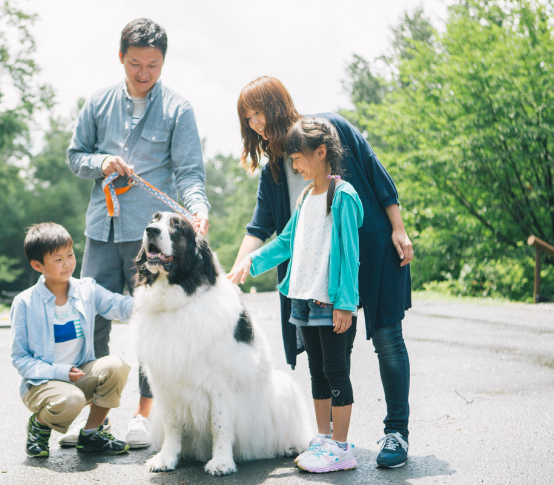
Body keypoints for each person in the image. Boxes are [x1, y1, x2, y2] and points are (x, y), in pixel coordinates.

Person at [228, 76, 413, 468]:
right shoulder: (276, 171)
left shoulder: (330, 128)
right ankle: (330, 439)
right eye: (248, 119)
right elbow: (263, 228)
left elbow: (375, 173)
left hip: (371, 248)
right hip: (315, 277)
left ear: (276, 105)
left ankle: (396, 431)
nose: (256, 124)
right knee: (328, 361)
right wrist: (240, 267)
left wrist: (398, 227)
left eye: (258, 112)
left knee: (387, 339)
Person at [67, 18, 210, 449]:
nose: (144, 72)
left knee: (151, 326)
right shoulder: (96, 104)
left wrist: (198, 207)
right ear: (120, 58)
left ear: (163, 62)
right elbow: (75, 157)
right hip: (100, 231)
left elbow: (189, 173)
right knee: (89, 321)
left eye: (153, 64)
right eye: (135, 64)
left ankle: (144, 417)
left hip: (151, 238)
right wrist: (101, 163)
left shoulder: (179, 109)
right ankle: (94, 420)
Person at [229, 117, 363, 473]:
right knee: (317, 371)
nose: (295, 165)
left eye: (299, 158)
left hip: (332, 303)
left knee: (336, 371)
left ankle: (341, 446)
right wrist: (250, 262)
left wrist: (346, 305)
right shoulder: (306, 197)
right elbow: (286, 242)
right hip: (304, 300)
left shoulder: (343, 195)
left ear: (321, 152)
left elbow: (350, 255)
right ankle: (322, 438)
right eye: (292, 160)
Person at [11, 223, 133, 457]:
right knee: (71, 399)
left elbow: (120, 305)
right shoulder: (25, 302)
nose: (68, 264)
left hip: (79, 375)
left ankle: (92, 434)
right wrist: (61, 372)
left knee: (116, 366)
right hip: (42, 384)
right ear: (38, 265)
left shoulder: (86, 289)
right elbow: (20, 359)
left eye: (70, 255)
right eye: (58, 260)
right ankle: (39, 426)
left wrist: (157, 302)